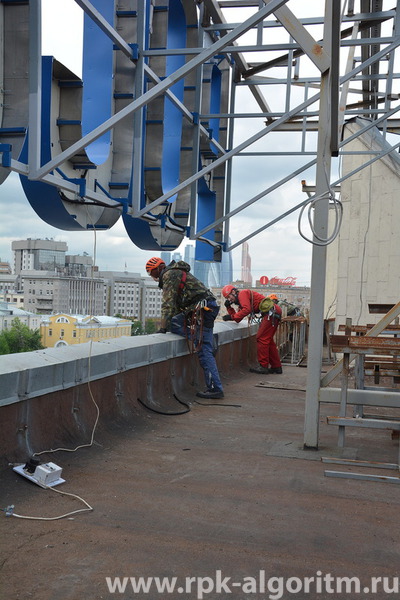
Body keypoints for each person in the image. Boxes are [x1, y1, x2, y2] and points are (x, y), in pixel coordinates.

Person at [145, 257, 224, 399]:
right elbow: (176, 305)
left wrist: (163, 327)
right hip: (206, 307)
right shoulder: (176, 272)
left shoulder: (169, 274)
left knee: (201, 347)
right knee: (202, 346)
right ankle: (205, 340)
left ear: (158, 269)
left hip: (203, 309)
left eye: (151, 273)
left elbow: (168, 303)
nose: (152, 277)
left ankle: (215, 388)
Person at [221, 285, 283, 375]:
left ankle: (263, 366)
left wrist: (231, 317)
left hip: (271, 313)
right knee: (268, 341)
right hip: (273, 312)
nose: (229, 300)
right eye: (227, 298)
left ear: (233, 292)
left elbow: (246, 310)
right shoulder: (241, 300)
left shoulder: (242, 294)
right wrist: (229, 308)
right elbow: (238, 318)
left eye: (229, 296)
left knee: (261, 338)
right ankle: (276, 367)